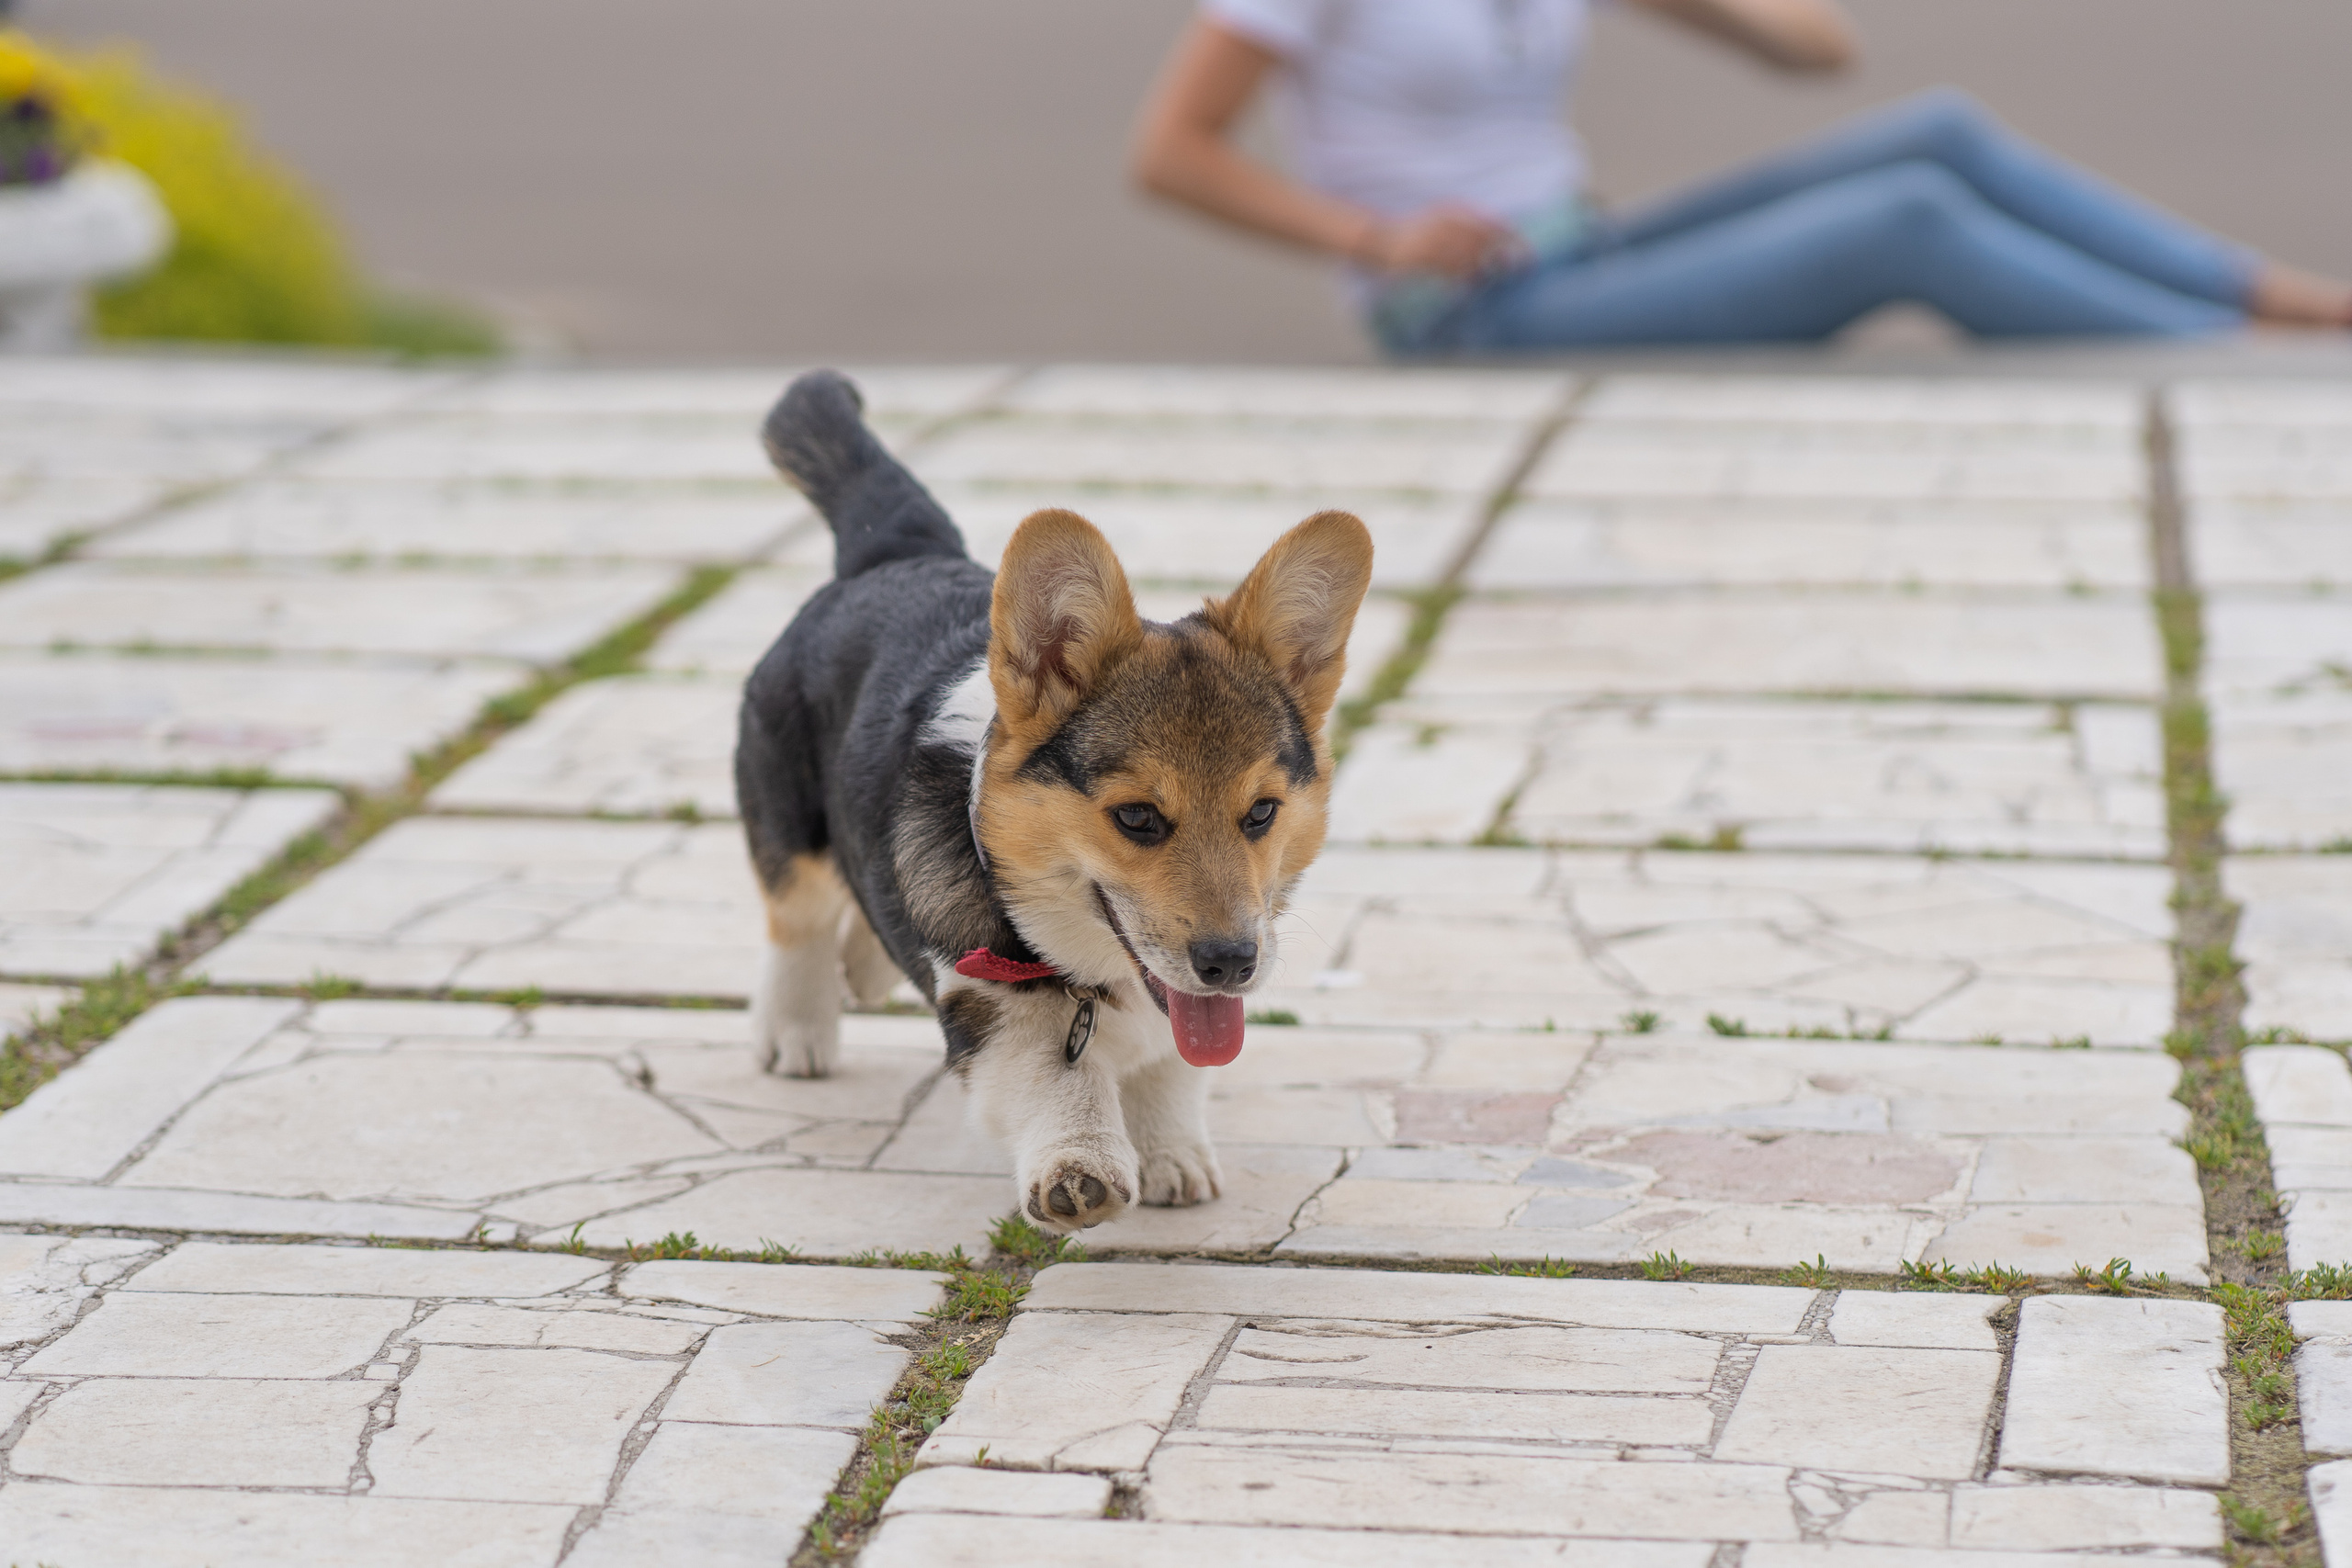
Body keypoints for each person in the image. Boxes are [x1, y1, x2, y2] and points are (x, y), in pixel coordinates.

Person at [1130, 0, 2352, 357]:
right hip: (1468, 307)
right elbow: (1171, 152)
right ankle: (2233, 361)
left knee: (1933, 132)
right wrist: (1376, 239)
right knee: (1904, 223)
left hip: (1586, 248)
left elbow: (1823, 50)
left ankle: (2283, 301)